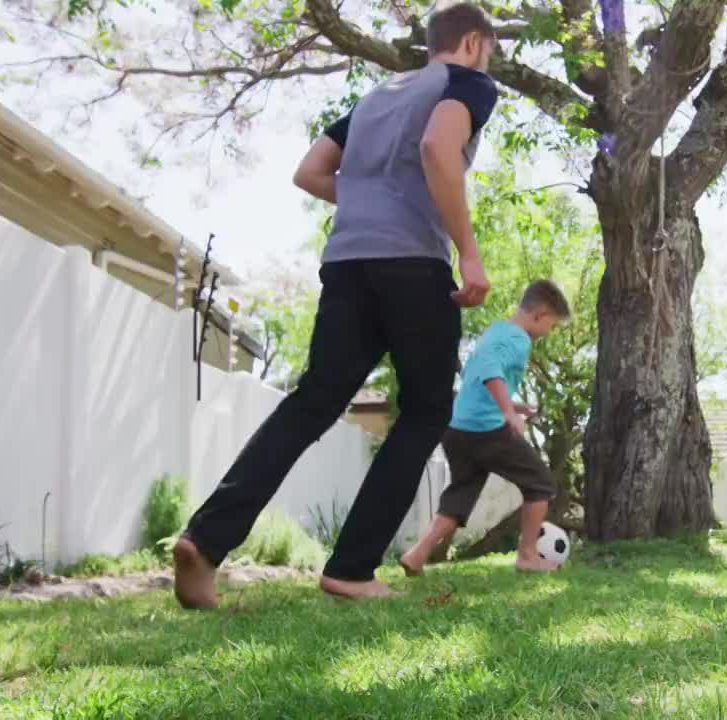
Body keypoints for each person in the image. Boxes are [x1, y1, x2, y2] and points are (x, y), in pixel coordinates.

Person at [173, 2, 500, 608]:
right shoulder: (468, 83)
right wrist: (469, 253)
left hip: (348, 261)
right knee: (427, 410)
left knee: (314, 402)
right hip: (413, 265)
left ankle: (206, 540)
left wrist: (371, 203)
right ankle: (351, 567)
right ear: (475, 43)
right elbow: (438, 147)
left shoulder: (380, 96)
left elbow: (311, 171)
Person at [400, 280, 571, 575]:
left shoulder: (496, 331)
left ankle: (417, 554)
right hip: (486, 430)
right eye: (552, 326)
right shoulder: (519, 339)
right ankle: (528, 555)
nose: (549, 332)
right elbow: (490, 368)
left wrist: (513, 406)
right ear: (540, 314)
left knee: (460, 494)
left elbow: (474, 374)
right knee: (540, 484)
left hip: (457, 429)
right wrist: (507, 412)